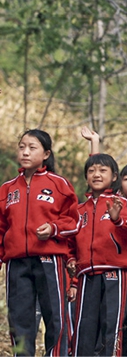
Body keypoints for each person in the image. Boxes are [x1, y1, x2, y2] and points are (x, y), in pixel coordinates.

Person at [0, 129, 80, 356]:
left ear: (46, 154)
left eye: (32, 147)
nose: (25, 152)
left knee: (56, 317)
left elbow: (74, 222)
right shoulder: (7, 189)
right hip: (16, 262)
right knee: (19, 318)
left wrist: (54, 229)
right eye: (22, 147)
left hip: (49, 260)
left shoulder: (59, 184)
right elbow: (1, 227)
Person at [69, 153, 127, 356]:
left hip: (115, 272)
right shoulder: (79, 210)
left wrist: (118, 219)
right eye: (91, 171)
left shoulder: (120, 202)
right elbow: (70, 242)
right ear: (86, 177)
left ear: (114, 176)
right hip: (86, 274)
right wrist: (72, 260)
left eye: (103, 170)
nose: (96, 174)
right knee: (84, 325)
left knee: (112, 324)